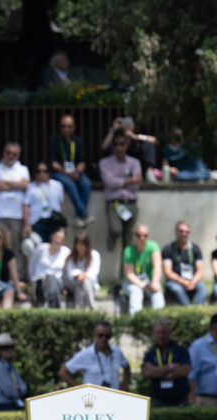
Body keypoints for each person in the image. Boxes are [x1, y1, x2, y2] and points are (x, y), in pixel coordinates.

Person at [0, 142, 30, 278]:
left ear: (18, 156)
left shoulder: (23, 169)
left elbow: (24, 185)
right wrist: (15, 185)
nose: (10, 156)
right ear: (3, 153)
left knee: (16, 248)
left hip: (16, 216)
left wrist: (5, 183)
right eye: (8, 153)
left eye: (14, 154)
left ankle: (19, 279)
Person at [99, 130, 142, 258]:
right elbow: (109, 182)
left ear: (126, 145)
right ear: (113, 146)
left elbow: (137, 183)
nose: (119, 147)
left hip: (131, 203)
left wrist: (121, 182)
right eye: (116, 144)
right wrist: (129, 180)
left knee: (128, 242)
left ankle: (124, 275)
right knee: (115, 229)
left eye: (122, 144)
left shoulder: (134, 162)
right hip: (115, 203)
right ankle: (112, 237)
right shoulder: (105, 163)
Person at [48, 115, 93, 226]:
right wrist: (67, 173)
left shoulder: (78, 141)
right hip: (59, 173)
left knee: (86, 184)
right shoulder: (54, 140)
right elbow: (53, 163)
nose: (66, 129)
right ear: (59, 127)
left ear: (73, 128)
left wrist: (76, 172)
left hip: (74, 173)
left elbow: (82, 162)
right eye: (63, 126)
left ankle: (79, 216)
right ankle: (83, 213)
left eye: (69, 127)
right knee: (70, 184)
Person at [60, 321, 130, 390]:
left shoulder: (116, 351)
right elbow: (63, 372)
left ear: (111, 336)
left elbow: (126, 367)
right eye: (100, 335)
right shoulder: (86, 354)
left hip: (114, 397)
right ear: (94, 335)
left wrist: (125, 383)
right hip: (93, 399)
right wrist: (78, 389)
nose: (103, 339)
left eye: (107, 336)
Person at [141, 318, 191, 407]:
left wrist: (157, 372)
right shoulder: (150, 353)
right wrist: (170, 367)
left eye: (163, 332)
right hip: (158, 400)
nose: (161, 336)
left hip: (180, 401)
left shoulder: (181, 350)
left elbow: (185, 370)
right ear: (154, 334)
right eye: (158, 333)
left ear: (169, 333)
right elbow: (147, 372)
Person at [161, 220, 207, 306]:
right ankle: (189, 309)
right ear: (176, 232)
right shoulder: (168, 249)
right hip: (175, 282)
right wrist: (182, 281)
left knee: (203, 288)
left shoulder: (195, 248)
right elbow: (167, 272)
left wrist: (192, 282)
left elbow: (200, 271)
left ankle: (196, 308)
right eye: (181, 231)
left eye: (187, 232)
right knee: (177, 289)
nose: (184, 234)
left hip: (192, 281)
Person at [122, 224, 165, 314]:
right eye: (139, 235)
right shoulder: (128, 250)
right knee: (136, 291)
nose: (142, 238)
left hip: (149, 280)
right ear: (134, 236)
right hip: (132, 282)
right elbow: (129, 274)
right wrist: (143, 286)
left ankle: (160, 321)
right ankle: (136, 319)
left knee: (157, 291)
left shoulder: (153, 246)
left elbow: (157, 266)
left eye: (145, 235)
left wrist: (155, 283)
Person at [23, 162, 65, 244]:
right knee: (38, 247)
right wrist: (27, 225)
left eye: (45, 171)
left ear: (49, 172)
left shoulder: (57, 185)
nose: (42, 174)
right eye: (39, 171)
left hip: (53, 220)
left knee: (53, 246)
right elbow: (26, 206)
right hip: (37, 220)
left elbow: (60, 204)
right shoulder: (31, 186)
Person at [28, 226, 70, 308]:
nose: (58, 240)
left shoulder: (66, 252)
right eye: (57, 237)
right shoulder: (41, 248)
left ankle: (48, 304)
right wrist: (33, 279)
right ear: (52, 236)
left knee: (51, 279)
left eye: (61, 238)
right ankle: (55, 308)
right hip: (39, 282)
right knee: (49, 279)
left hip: (57, 284)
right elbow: (32, 265)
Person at [0, 333, 27, 411]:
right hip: (1, 407)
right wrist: (18, 389)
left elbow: (24, 387)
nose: (9, 350)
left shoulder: (11, 367)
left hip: (12, 405)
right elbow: (9, 391)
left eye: (11, 347)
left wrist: (18, 388)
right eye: (5, 348)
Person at [64, 231, 101, 310]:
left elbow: (94, 273)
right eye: (77, 244)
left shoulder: (94, 255)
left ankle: (79, 310)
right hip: (73, 283)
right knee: (82, 283)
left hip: (89, 284)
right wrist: (79, 275)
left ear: (87, 245)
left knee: (82, 285)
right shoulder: (71, 256)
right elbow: (70, 274)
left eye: (82, 244)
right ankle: (92, 307)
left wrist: (84, 276)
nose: (79, 247)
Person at [188, 313, 217, 406]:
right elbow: (191, 373)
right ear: (214, 327)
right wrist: (192, 397)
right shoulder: (198, 346)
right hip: (205, 399)